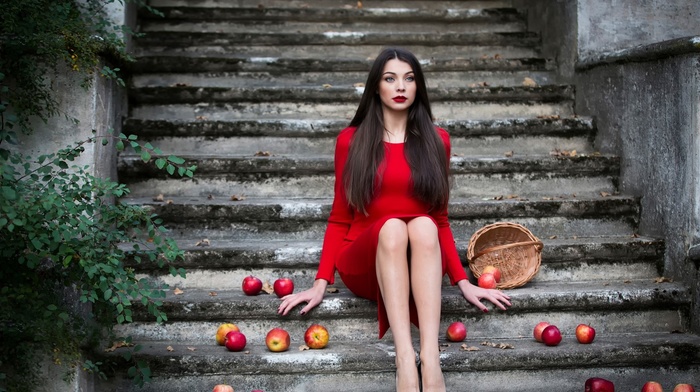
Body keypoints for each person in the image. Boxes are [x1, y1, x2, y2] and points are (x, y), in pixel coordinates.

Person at [277, 47, 511, 392]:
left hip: (417, 261)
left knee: (422, 223)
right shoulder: (350, 141)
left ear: (418, 87)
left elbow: (440, 219)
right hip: (364, 261)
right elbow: (340, 217)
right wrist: (320, 281)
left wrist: (462, 281)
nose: (400, 86)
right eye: (390, 79)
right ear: (376, 87)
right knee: (391, 227)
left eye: (409, 78)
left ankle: (430, 358)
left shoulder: (437, 140)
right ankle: (405, 358)